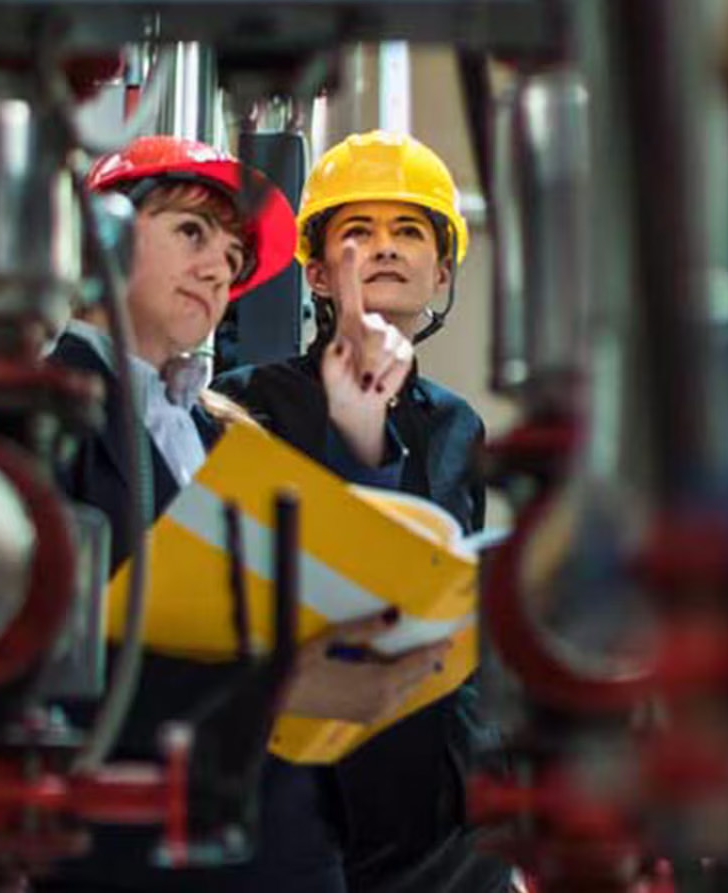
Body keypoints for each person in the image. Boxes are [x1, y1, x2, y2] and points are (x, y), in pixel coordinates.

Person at [42, 136, 449, 893]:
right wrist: (276, 687)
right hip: (130, 860)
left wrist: (359, 430)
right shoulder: (39, 417)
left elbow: (318, 587)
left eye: (232, 259)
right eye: (191, 233)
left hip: (280, 848)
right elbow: (40, 664)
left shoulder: (219, 431)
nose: (216, 270)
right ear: (99, 236)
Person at [214, 130, 511, 893]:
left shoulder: (457, 423)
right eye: (359, 231)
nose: (385, 247)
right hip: (312, 794)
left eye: (409, 230)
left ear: (441, 270)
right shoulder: (248, 401)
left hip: (443, 804)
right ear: (315, 268)